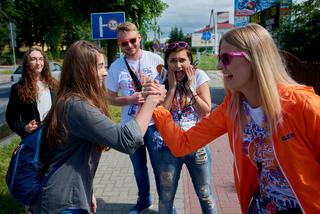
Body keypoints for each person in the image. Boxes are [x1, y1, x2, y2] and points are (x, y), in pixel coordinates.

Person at [149, 24, 320, 213]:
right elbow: (182, 144)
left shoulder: (305, 107)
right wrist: (157, 106)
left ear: (255, 58)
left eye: (226, 58)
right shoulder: (233, 109)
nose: (219, 66)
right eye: (219, 58)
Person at [29, 40, 165, 214]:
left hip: (71, 195)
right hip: (63, 201)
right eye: (100, 66)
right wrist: (152, 100)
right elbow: (127, 140)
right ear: (82, 71)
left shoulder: (72, 100)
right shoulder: (76, 106)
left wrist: (88, 191)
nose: (105, 72)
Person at [145, 41, 217, 213]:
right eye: (173, 61)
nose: (178, 66)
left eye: (182, 60)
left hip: (196, 144)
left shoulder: (199, 76)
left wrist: (189, 88)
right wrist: (171, 89)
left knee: (205, 193)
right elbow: (160, 116)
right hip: (167, 146)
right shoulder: (159, 80)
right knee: (166, 196)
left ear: (189, 61)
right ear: (167, 62)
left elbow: (204, 112)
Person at [105, 22, 164, 213]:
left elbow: (168, 89)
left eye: (132, 40)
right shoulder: (116, 67)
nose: (129, 45)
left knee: (159, 167)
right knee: (139, 168)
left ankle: (166, 203)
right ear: (119, 44)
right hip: (131, 127)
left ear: (139, 38)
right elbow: (110, 98)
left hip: (155, 124)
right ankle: (144, 200)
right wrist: (129, 99)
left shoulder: (155, 59)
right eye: (124, 43)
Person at [6, 47, 58, 138]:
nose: (38, 63)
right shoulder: (18, 88)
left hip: (54, 136)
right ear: (27, 63)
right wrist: (24, 128)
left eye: (41, 59)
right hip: (33, 138)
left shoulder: (53, 85)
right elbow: (11, 118)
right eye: (33, 59)